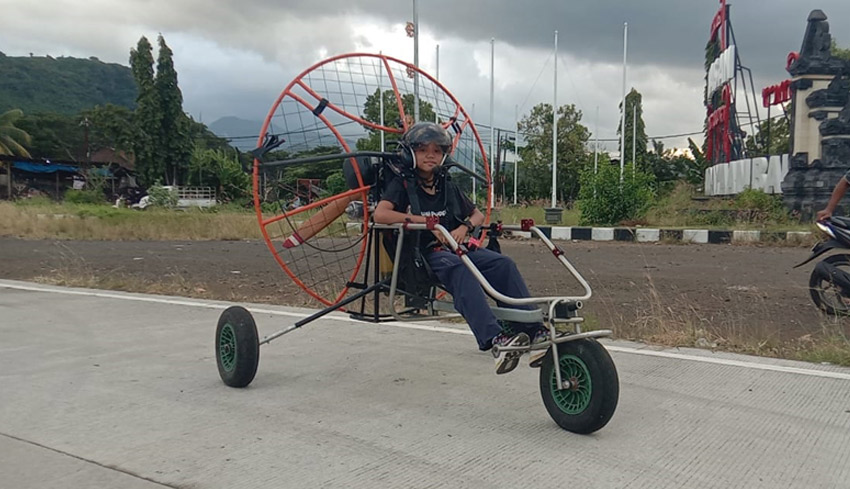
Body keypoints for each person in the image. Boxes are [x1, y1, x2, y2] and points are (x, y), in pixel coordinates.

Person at [372, 122, 548, 374]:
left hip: (457, 247)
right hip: (425, 255)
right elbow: (381, 214)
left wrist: (464, 227)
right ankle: (495, 339)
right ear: (410, 153)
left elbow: (476, 215)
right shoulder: (402, 185)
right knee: (460, 267)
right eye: (423, 150)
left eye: (436, 150)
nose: (430, 155)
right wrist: (427, 223)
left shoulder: (447, 185)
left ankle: (534, 330)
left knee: (502, 264)